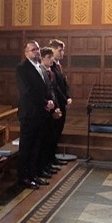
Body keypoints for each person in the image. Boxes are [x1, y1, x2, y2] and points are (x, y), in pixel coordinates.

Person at [15, 41, 55, 189]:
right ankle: (23, 177)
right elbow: (28, 91)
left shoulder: (40, 67)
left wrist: (50, 101)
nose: (36, 52)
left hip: (40, 114)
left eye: (37, 49)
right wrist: (45, 102)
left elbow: (46, 87)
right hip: (29, 113)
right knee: (26, 147)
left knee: (36, 146)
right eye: (33, 50)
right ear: (26, 53)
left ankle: (33, 175)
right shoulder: (22, 68)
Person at [39, 46, 66, 174]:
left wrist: (57, 108)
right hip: (44, 111)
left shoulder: (51, 72)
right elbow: (43, 94)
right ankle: (43, 165)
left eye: (51, 57)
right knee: (44, 140)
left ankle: (49, 162)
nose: (51, 60)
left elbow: (54, 92)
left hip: (53, 109)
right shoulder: (40, 72)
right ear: (42, 59)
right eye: (48, 58)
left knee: (51, 138)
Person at [46, 39, 73, 163]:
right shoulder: (50, 66)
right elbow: (54, 87)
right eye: (60, 50)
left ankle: (53, 157)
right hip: (56, 103)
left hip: (61, 102)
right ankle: (50, 158)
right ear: (52, 50)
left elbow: (64, 83)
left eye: (63, 50)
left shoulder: (58, 65)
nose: (63, 53)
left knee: (58, 131)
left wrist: (68, 96)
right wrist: (64, 99)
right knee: (53, 132)